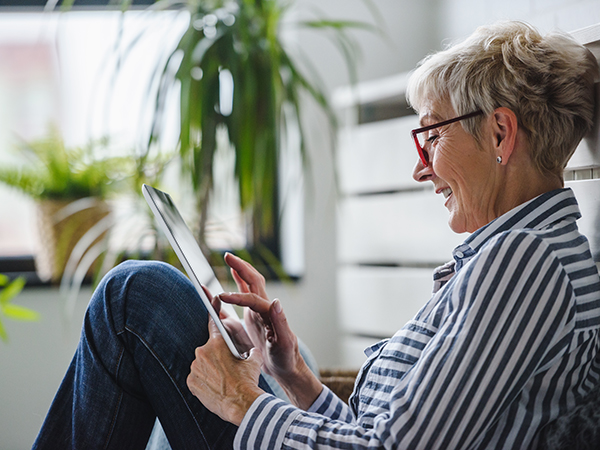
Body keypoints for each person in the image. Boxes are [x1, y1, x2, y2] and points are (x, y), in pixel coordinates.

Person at [33, 20, 600, 450]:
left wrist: (243, 399)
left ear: (500, 133)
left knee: (136, 295)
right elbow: (389, 430)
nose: (420, 167)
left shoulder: (526, 263)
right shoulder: (513, 257)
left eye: (429, 136)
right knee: (155, 304)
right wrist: (294, 377)